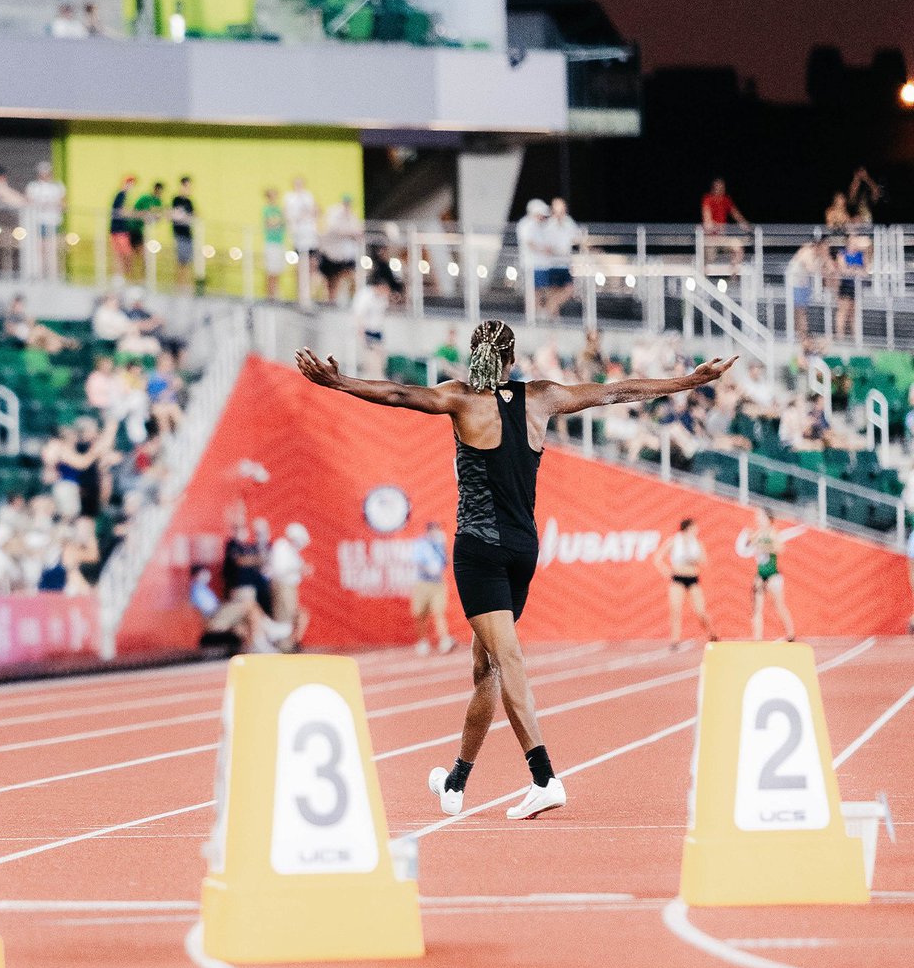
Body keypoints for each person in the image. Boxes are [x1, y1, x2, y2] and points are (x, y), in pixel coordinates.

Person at [296, 321, 736, 821]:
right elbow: (617, 391)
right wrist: (690, 380)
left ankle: (544, 777)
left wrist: (338, 381)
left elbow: (397, 394)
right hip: (523, 551)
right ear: (511, 360)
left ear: (474, 355)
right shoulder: (541, 397)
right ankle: (456, 781)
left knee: (506, 662)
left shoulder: (461, 398)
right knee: (485, 670)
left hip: (480, 552)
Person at [651, 518, 717, 649]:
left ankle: (711, 633)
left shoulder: (697, 543)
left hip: (692, 579)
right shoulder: (674, 541)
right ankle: (675, 639)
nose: (697, 530)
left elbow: (704, 561)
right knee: (675, 609)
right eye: (695, 527)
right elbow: (658, 558)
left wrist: (695, 559)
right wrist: (666, 571)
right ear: (688, 528)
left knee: (700, 611)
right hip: (678, 579)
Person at [749, 507, 795, 642]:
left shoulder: (772, 533)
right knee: (757, 608)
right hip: (760, 574)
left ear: (768, 519)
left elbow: (780, 548)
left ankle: (790, 633)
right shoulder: (757, 534)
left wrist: (765, 546)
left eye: (760, 516)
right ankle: (757, 639)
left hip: (773, 575)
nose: (757, 519)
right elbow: (750, 545)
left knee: (778, 605)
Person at [410, 521, 455, 656]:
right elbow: (417, 561)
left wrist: (443, 548)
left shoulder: (439, 544)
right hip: (423, 583)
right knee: (420, 614)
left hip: (438, 583)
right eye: (435, 530)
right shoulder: (421, 544)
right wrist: (427, 568)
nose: (437, 532)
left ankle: (444, 640)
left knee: (439, 612)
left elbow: (445, 562)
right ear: (429, 531)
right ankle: (422, 641)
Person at [268, 522, 311, 652]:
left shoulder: (293, 552)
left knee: (294, 615)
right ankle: (283, 645)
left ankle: (290, 643)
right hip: (282, 586)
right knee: (284, 615)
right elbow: (279, 570)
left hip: (290, 587)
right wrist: (298, 569)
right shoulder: (281, 546)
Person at [786, 231, 832, 343]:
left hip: (804, 284)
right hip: (795, 283)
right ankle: (802, 336)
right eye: (825, 244)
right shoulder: (807, 251)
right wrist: (824, 262)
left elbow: (831, 270)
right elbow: (811, 268)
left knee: (802, 311)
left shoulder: (820, 255)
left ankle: (803, 335)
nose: (827, 247)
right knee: (800, 311)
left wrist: (826, 258)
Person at [26, 160, 66, 280]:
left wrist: (53, 204)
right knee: (40, 250)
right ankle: (40, 274)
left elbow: (63, 204)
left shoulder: (57, 187)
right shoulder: (33, 187)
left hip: (53, 222)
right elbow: (28, 201)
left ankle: (53, 275)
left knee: (52, 249)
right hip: (39, 222)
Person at [319, 194, 363, 303]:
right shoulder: (334, 212)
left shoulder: (352, 216)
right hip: (331, 253)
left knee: (348, 276)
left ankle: (350, 300)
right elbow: (335, 230)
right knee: (331, 280)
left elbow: (358, 232)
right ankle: (331, 301)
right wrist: (349, 232)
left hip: (345, 255)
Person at [700, 178, 749, 272]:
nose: (720, 189)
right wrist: (713, 225)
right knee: (708, 260)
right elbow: (707, 219)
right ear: (713, 188)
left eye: (722, 187)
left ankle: (733, 274)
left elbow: (735, 213)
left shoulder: (726, 200)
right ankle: (703, 275)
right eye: (717, 187)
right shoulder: (707, 198)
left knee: (737, 246)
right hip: (709, 238)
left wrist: (744, 223)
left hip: (721, 237)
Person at [170, 176, 196, 290]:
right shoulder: (176, 200)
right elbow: (176, 215)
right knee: (180, 261)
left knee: (188, 261)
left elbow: (193, 215)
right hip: (179, 234)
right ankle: (179, 285)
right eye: (187, 186)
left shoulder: (189, 202)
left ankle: (187, 286)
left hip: (188, 234)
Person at [261, 188, 287, 300]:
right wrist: (280, 221)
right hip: (271, 243)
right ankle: (270, 294)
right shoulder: (267, 210)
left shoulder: (280, 210)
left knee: (278, 269)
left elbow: (284, 224)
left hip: (280, 242)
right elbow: (270, 224)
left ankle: (275, 292)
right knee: (270, 269)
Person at [109, 176, 136, 279]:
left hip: (118, 229)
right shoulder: (121, 195)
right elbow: (121, 211)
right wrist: (134, 214)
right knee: (124, 254)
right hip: (119, 229)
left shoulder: (123, 195)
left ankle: (120, 276)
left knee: (120, 254)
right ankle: (122, 276)